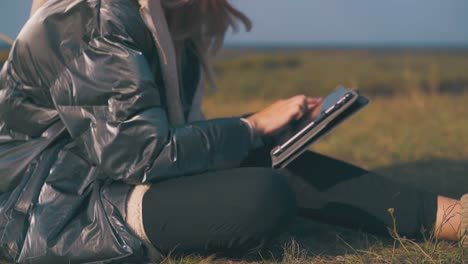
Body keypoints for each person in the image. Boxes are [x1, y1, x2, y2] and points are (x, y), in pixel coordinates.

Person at [0, 0, 465, 263]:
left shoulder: (152, 18)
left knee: (271, 153)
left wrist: (261, 133)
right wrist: (252, 124)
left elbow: (161, 139)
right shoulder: (88, 18)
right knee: (264, 193)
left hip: (104, 177)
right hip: (52, 211)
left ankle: (453, 219)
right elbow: (138, 157)